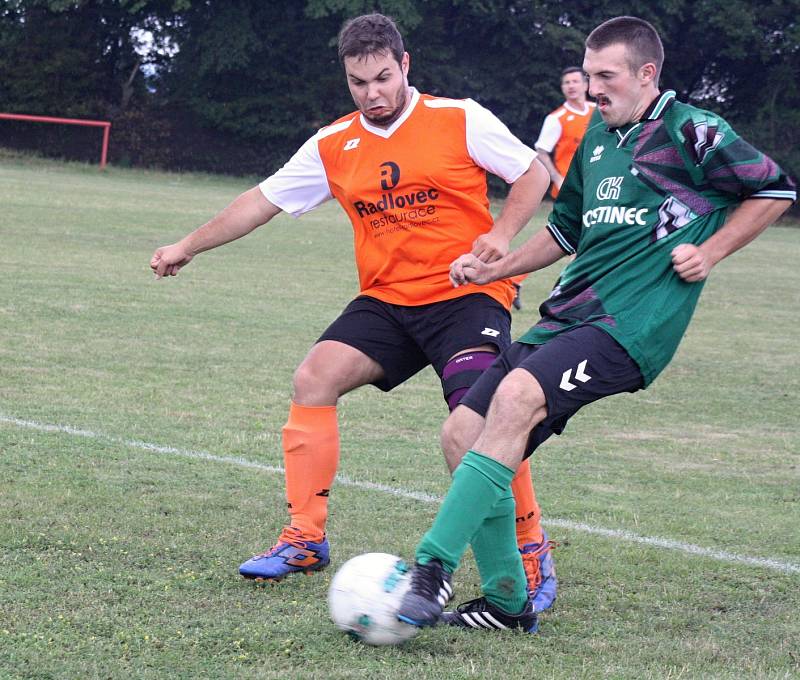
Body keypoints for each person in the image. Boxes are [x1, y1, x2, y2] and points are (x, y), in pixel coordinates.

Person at [396, 15, 796, 634]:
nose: (593, 89)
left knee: (517, 397)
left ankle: (431, 567)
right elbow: (565, 232)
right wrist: (491, 268)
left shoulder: (691, 131)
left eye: (605, 77)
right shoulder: (596, 137)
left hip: (629, 326)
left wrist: (710, 252)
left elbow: (773, 191)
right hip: (566, 317)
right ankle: (507, 602)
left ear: (646, 74)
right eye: (588, 77)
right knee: (460, 433)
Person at [149, 13, 559, 609]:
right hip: (388, 300)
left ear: (405, 65)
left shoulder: (459, 118)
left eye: (383, 78)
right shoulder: (333, 143)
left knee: (480, 421)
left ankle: (529, 548)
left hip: (466, 296)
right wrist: (187, 245)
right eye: (358, 82)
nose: (373, 93)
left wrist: (500, 235)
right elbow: (260, 200)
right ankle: (305, 538)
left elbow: (533, 172)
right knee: (314, 377)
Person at [511, 67, 595, 310]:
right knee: (578, 240)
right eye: (566, 82)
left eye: (575, 81)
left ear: (585, 85)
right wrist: (557, 178)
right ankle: (565, 294)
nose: (570, 86)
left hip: (597, 186)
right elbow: (542, 151)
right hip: (572, 189)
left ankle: (515, 280)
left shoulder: (598, 111)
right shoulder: (556, 118)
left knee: (572, 240)